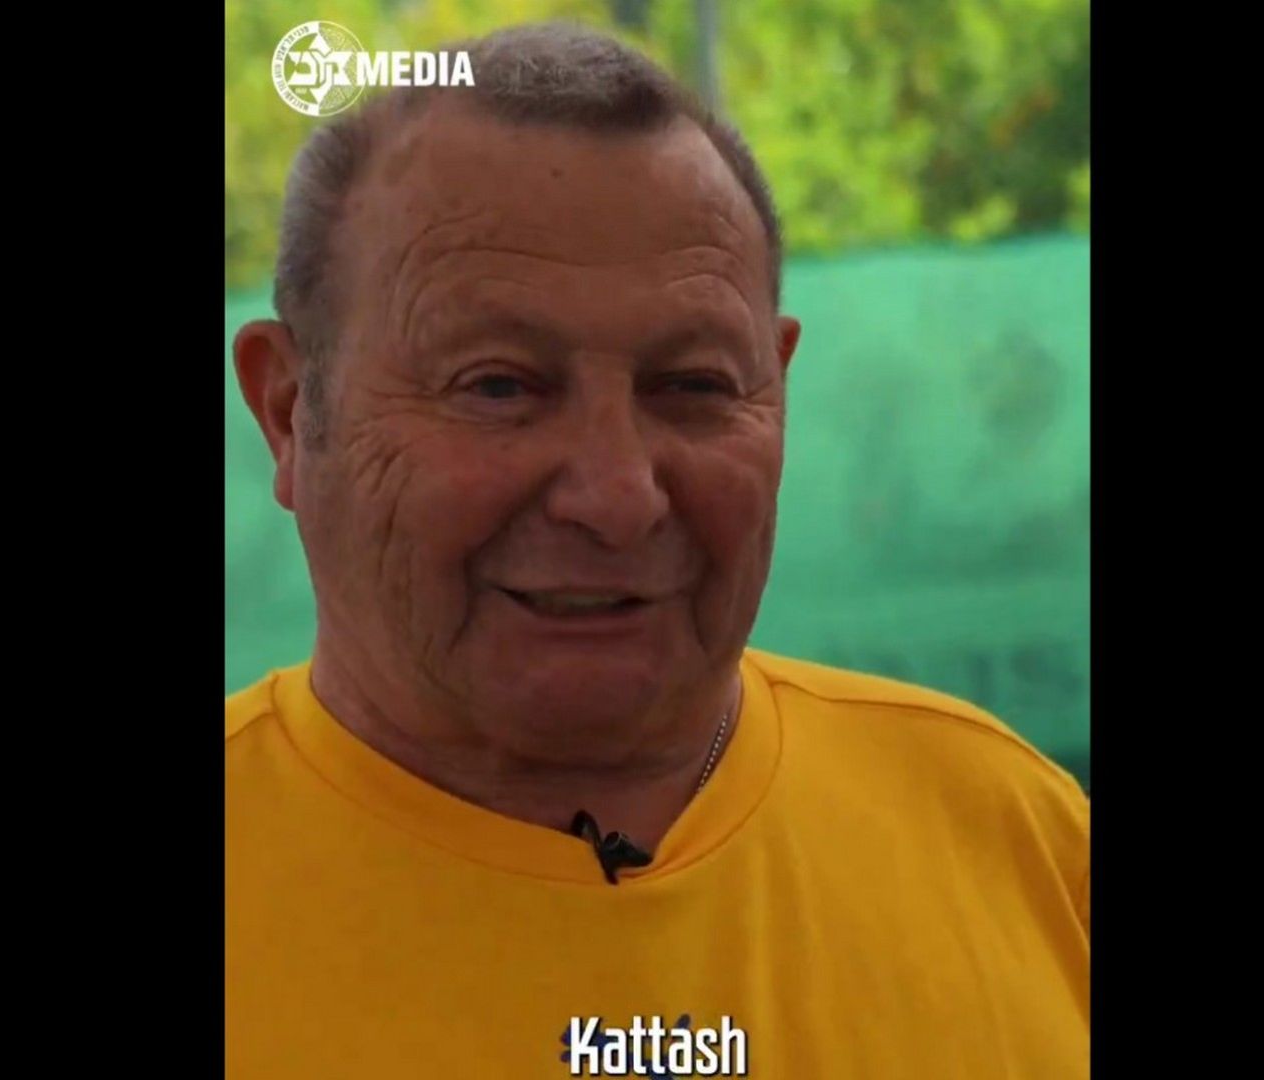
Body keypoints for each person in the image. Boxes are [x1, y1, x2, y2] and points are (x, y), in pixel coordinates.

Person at [226, 22, 1087, 1078]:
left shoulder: (1016, 840)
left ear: (778, 391)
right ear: (288, 409)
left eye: (693, 386)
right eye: (499, 385)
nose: (618, 496)